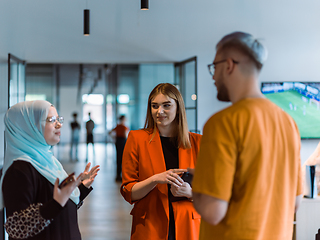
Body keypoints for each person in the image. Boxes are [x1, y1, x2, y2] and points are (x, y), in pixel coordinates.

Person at [191, 31, 303, 240]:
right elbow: (295, 202)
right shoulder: (289, 123)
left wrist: (199, 183)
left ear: (229, 65)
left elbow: (212, 212)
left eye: (214, 67)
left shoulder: (222, 123)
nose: (213, 76)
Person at [0, 100, 100, 240]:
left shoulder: (49, 161)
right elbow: (17, 227)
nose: (59, 124)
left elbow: (58, 212)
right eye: (50, 120)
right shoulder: (19, 170)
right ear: (29, 126)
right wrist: (56, 204)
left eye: (58, 119)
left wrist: (81, 188)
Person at [120, 83, 202, 240]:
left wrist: (190, 193)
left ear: (178, 107)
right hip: (150, 225)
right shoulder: (137, 139)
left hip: (189, 226)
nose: (160, 111)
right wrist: (155, 179)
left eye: (166, 105)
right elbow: (128, 192)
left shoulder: (198, 143)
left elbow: (214, 193)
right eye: (154, 106)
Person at [109, 115, 129, 182]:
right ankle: (123, 175)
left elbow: (110, 132)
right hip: (123, 141)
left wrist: (113, 138)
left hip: (118, 141)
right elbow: (125, 135)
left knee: (118, 158)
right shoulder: (124, 127)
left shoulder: (118, 126)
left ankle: (118, 175)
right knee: (123, 159)